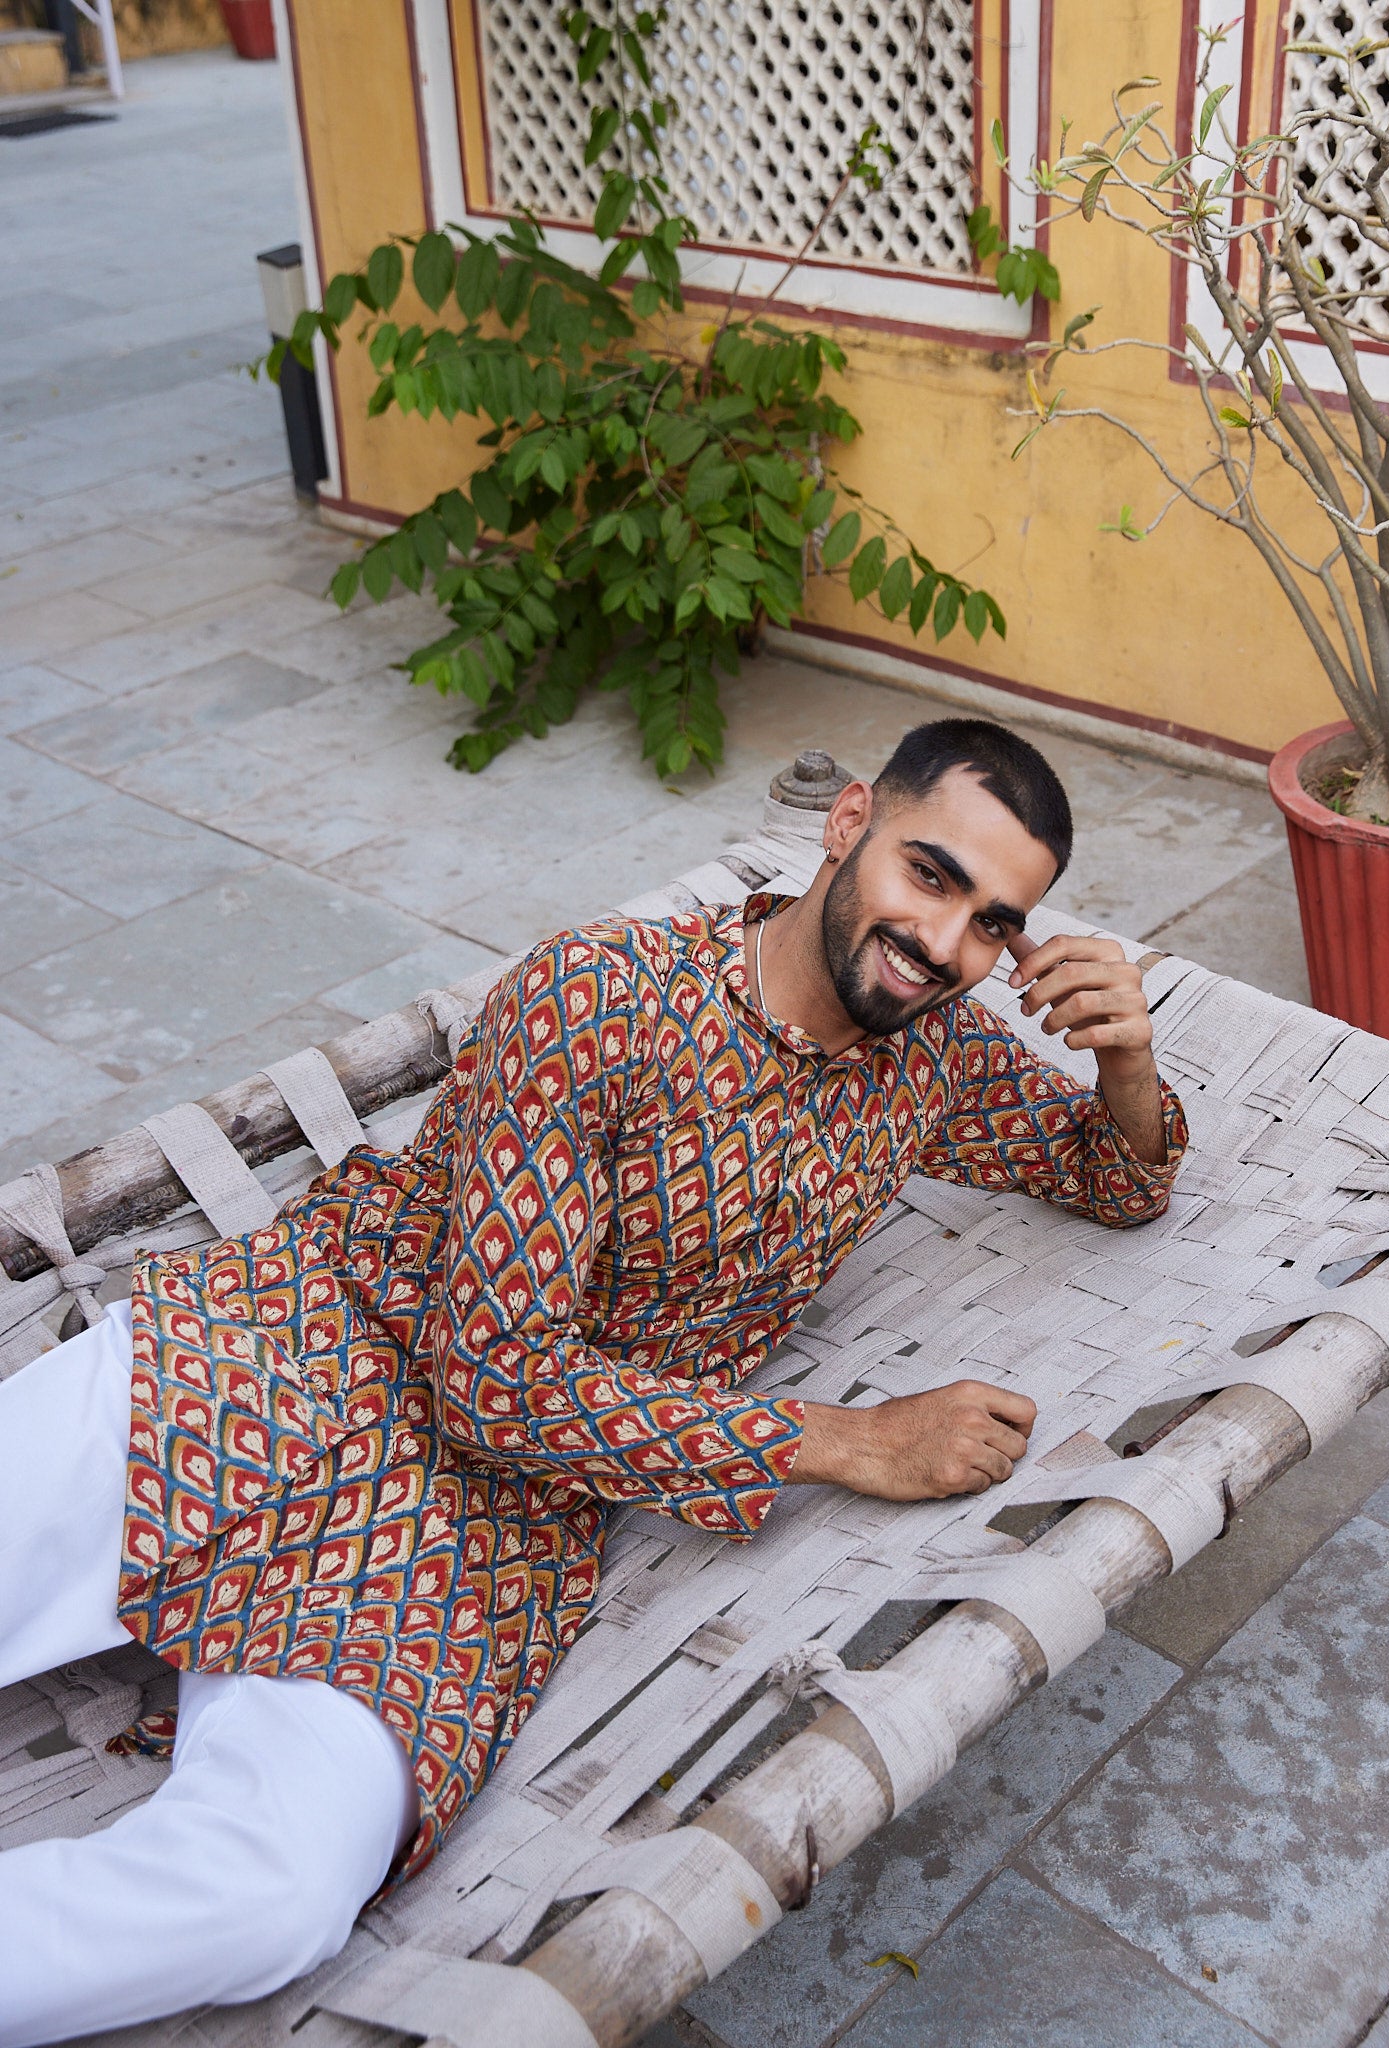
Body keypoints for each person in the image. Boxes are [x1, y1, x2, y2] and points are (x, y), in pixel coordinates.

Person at [0, 718, 1186, 2042]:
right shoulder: (600, 994)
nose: (947, 941)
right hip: (295, 1349)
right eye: (932, 874)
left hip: (467, 1544)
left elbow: (1117, 1178)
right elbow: (493, 1377)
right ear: (847, 822)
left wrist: (1126, 1056)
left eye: (993, 922)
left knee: (266, 1895)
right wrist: (842, 1442)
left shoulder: (932, 1058)